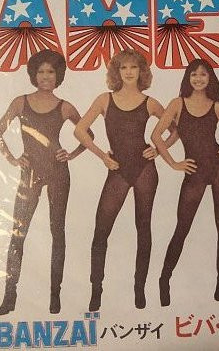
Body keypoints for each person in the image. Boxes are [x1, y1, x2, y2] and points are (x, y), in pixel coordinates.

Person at [74, 49, 175, 311]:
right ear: (116, 72)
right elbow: (80, 130)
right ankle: (96, 290)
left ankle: (139, 290)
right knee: (101, 230)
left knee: (143, 227)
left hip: (145, 170)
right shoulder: (104, 100)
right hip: (117, 168)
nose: (129, 72)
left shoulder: (150, 102)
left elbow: (176, 129)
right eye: (123, 67)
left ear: (142, 71)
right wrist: (102, 157)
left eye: (134, 67)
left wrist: (158, 149)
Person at [0, 49, 87, 315]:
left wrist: (71, 154)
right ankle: (9, 296)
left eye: (51, 71)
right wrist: (13, 159)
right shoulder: (20, 102)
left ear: (59, 75)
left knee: (58, 232)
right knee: (18, 233)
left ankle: (55, 296)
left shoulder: (65, 106)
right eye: (41, 71)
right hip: (30, 173)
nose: (46, 76)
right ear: (33, 74)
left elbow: (87, 134)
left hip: (58, 172)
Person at [151, 59, 219, 306]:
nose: (198, 79)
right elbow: (156, 135)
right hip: (194, 171)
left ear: (210, 78)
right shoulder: (177, 104)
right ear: (188, 78)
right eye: (194, 74)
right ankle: (164, 280)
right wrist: (173, 163)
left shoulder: (218, 106)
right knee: (182, 227)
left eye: (203, 75)